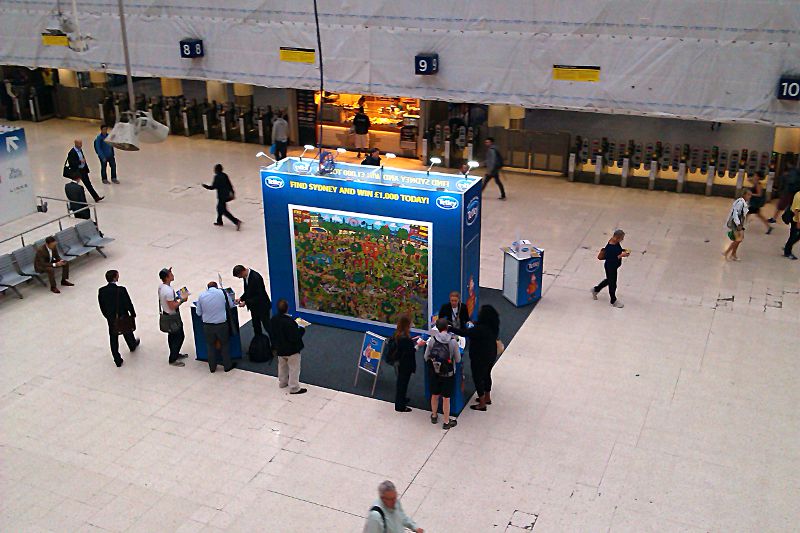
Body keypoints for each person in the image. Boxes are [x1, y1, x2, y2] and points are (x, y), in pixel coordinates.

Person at [450, 305, 500, 411]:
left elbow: (464, 333)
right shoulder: (492, 327)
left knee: (477, 378)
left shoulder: (479, 329)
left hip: (479, 356)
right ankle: (487, 397)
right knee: (487, 374)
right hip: (491, 353)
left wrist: (450, 328)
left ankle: (482, 403)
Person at [424, 317, 461, 429]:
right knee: (446, 398)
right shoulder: (453, 341)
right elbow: (458, 359)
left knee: (434, 395)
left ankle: (434, 416)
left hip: (435, 373)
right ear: (447, 327)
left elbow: (426, 357)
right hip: (448, 374)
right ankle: (446, 421)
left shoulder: (432, 340)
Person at [98, 270, 139, 367]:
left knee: (113, 338)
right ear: (115, 278)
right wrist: (132, 313)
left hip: (111, 318)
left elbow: (102, 306)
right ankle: (132, 345)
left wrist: (107, 316)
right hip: (122, 315)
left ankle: (117, 359)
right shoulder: (121, 290)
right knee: (127, 330)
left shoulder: (102, 291)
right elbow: (128, 303)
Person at [195, 281, 237, 373]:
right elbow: (231, 305)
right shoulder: (223, 293)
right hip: (222, 325)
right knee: (225, 345)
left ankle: (212, 368)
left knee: (210, 346)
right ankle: (227, 366)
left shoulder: (201, 296)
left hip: (208, 326)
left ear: (207, 288)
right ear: (217, 287)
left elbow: (198, 313)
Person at [270, 299, 308, 394]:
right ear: (287, 309)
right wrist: (302, 329)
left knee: (282, 366)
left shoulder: (273, 319)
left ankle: (282, 382)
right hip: (292, 350)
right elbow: (294, 337)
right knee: (294, 368)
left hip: (280, 349)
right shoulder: (290, 322)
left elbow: (272, 334)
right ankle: (294, 388)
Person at [591, 229, 630, 307]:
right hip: (610, 266)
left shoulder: (616, 243)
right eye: (622, 238)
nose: (622, 239)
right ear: (617, 237)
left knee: (609, 280)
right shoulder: (610, 246)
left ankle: (596, 289)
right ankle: (613, 300)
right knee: (612, 284)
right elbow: (611, 258)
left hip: (614, 266)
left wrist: (623, 250)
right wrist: (621, 255)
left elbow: (617, 251)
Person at [158, 267, 188, 367]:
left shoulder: (161, 287)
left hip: (167, 314)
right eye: (171, 274)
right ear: (167, 277)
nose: (173, 275)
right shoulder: (168, 291)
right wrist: (182, 300)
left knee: (172, 336)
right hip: (172, 317)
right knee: (179, 337)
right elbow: (172, 306)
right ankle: (173, 358)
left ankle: (175, 353)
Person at [232, 264, 271, 337]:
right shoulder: (245, 277)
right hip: (254, 307)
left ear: (242, 271)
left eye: (239, 276)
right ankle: (259, 343)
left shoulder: (256, 278)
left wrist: (246, 302)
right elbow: (248, 291)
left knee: (267, 326)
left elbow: (260, 296)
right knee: (256, 326)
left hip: (262, 307)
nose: (240, 278)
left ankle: (275, 344)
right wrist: (241, 298)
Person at [390, 315, 418, 413]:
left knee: (401, 383)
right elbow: (411, 350)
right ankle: (400, 405)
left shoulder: (398, 334)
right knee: (402, 384)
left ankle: (402, 399)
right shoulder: (405, 338)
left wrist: (412, 341)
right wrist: (418, 345)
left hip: (399, 363)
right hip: (405, 365)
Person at [203, 163, 241, 230]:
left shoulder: (217, 177)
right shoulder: (225, 175)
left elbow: (213, 187)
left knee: (223, 211)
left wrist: (206, 186)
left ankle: (236, 221)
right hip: (226, 195)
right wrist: (232, 193)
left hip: (221, 196)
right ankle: (219, 221)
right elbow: (230, 185)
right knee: (219, 208)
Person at [723, 190, 752, 262]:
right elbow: (735, 214)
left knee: (739, 239)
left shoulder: (743, 202)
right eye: (748, 195)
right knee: (738, 239)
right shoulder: (740, 203)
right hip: (736, 224)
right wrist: (738, 224)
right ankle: (728, 252)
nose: (750, 197)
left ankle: (733, 254)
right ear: (744, 195)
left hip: (738, 223)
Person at [783, 189, 800, 260]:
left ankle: (788, 246)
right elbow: (796, 210)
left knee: (796, 236)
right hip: (796, 220)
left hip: (797, 219)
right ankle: (787, 252)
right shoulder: (799, 196)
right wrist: (798, 222)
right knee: (793, 236)